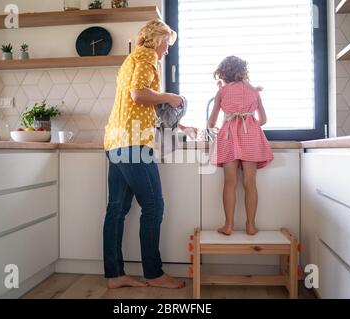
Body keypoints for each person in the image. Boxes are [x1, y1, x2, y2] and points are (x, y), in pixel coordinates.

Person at [103, 20, 189, 289]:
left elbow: (138, 105)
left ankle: (115, 275)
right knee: (153, 207)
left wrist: (181, 123)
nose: (166, 51)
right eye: (167, 44)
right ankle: (154, 273)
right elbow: (139, 94)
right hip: (134, 144)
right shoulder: (147, 55)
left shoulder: (131, 59)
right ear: (157, 39)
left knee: (116, 210)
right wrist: (169, 97)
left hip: (115, 141)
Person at [207, 56, 274, 236]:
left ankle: (228, 225)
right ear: (243, 71)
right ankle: (250, 226)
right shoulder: (253, 91)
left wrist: (223, 123)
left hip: (229, 137)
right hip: (250, 136)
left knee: (230, 182)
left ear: (223, 74)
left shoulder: (222, 92)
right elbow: (264, 120)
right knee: (250, 183)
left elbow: (211, 122)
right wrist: (250, 124)